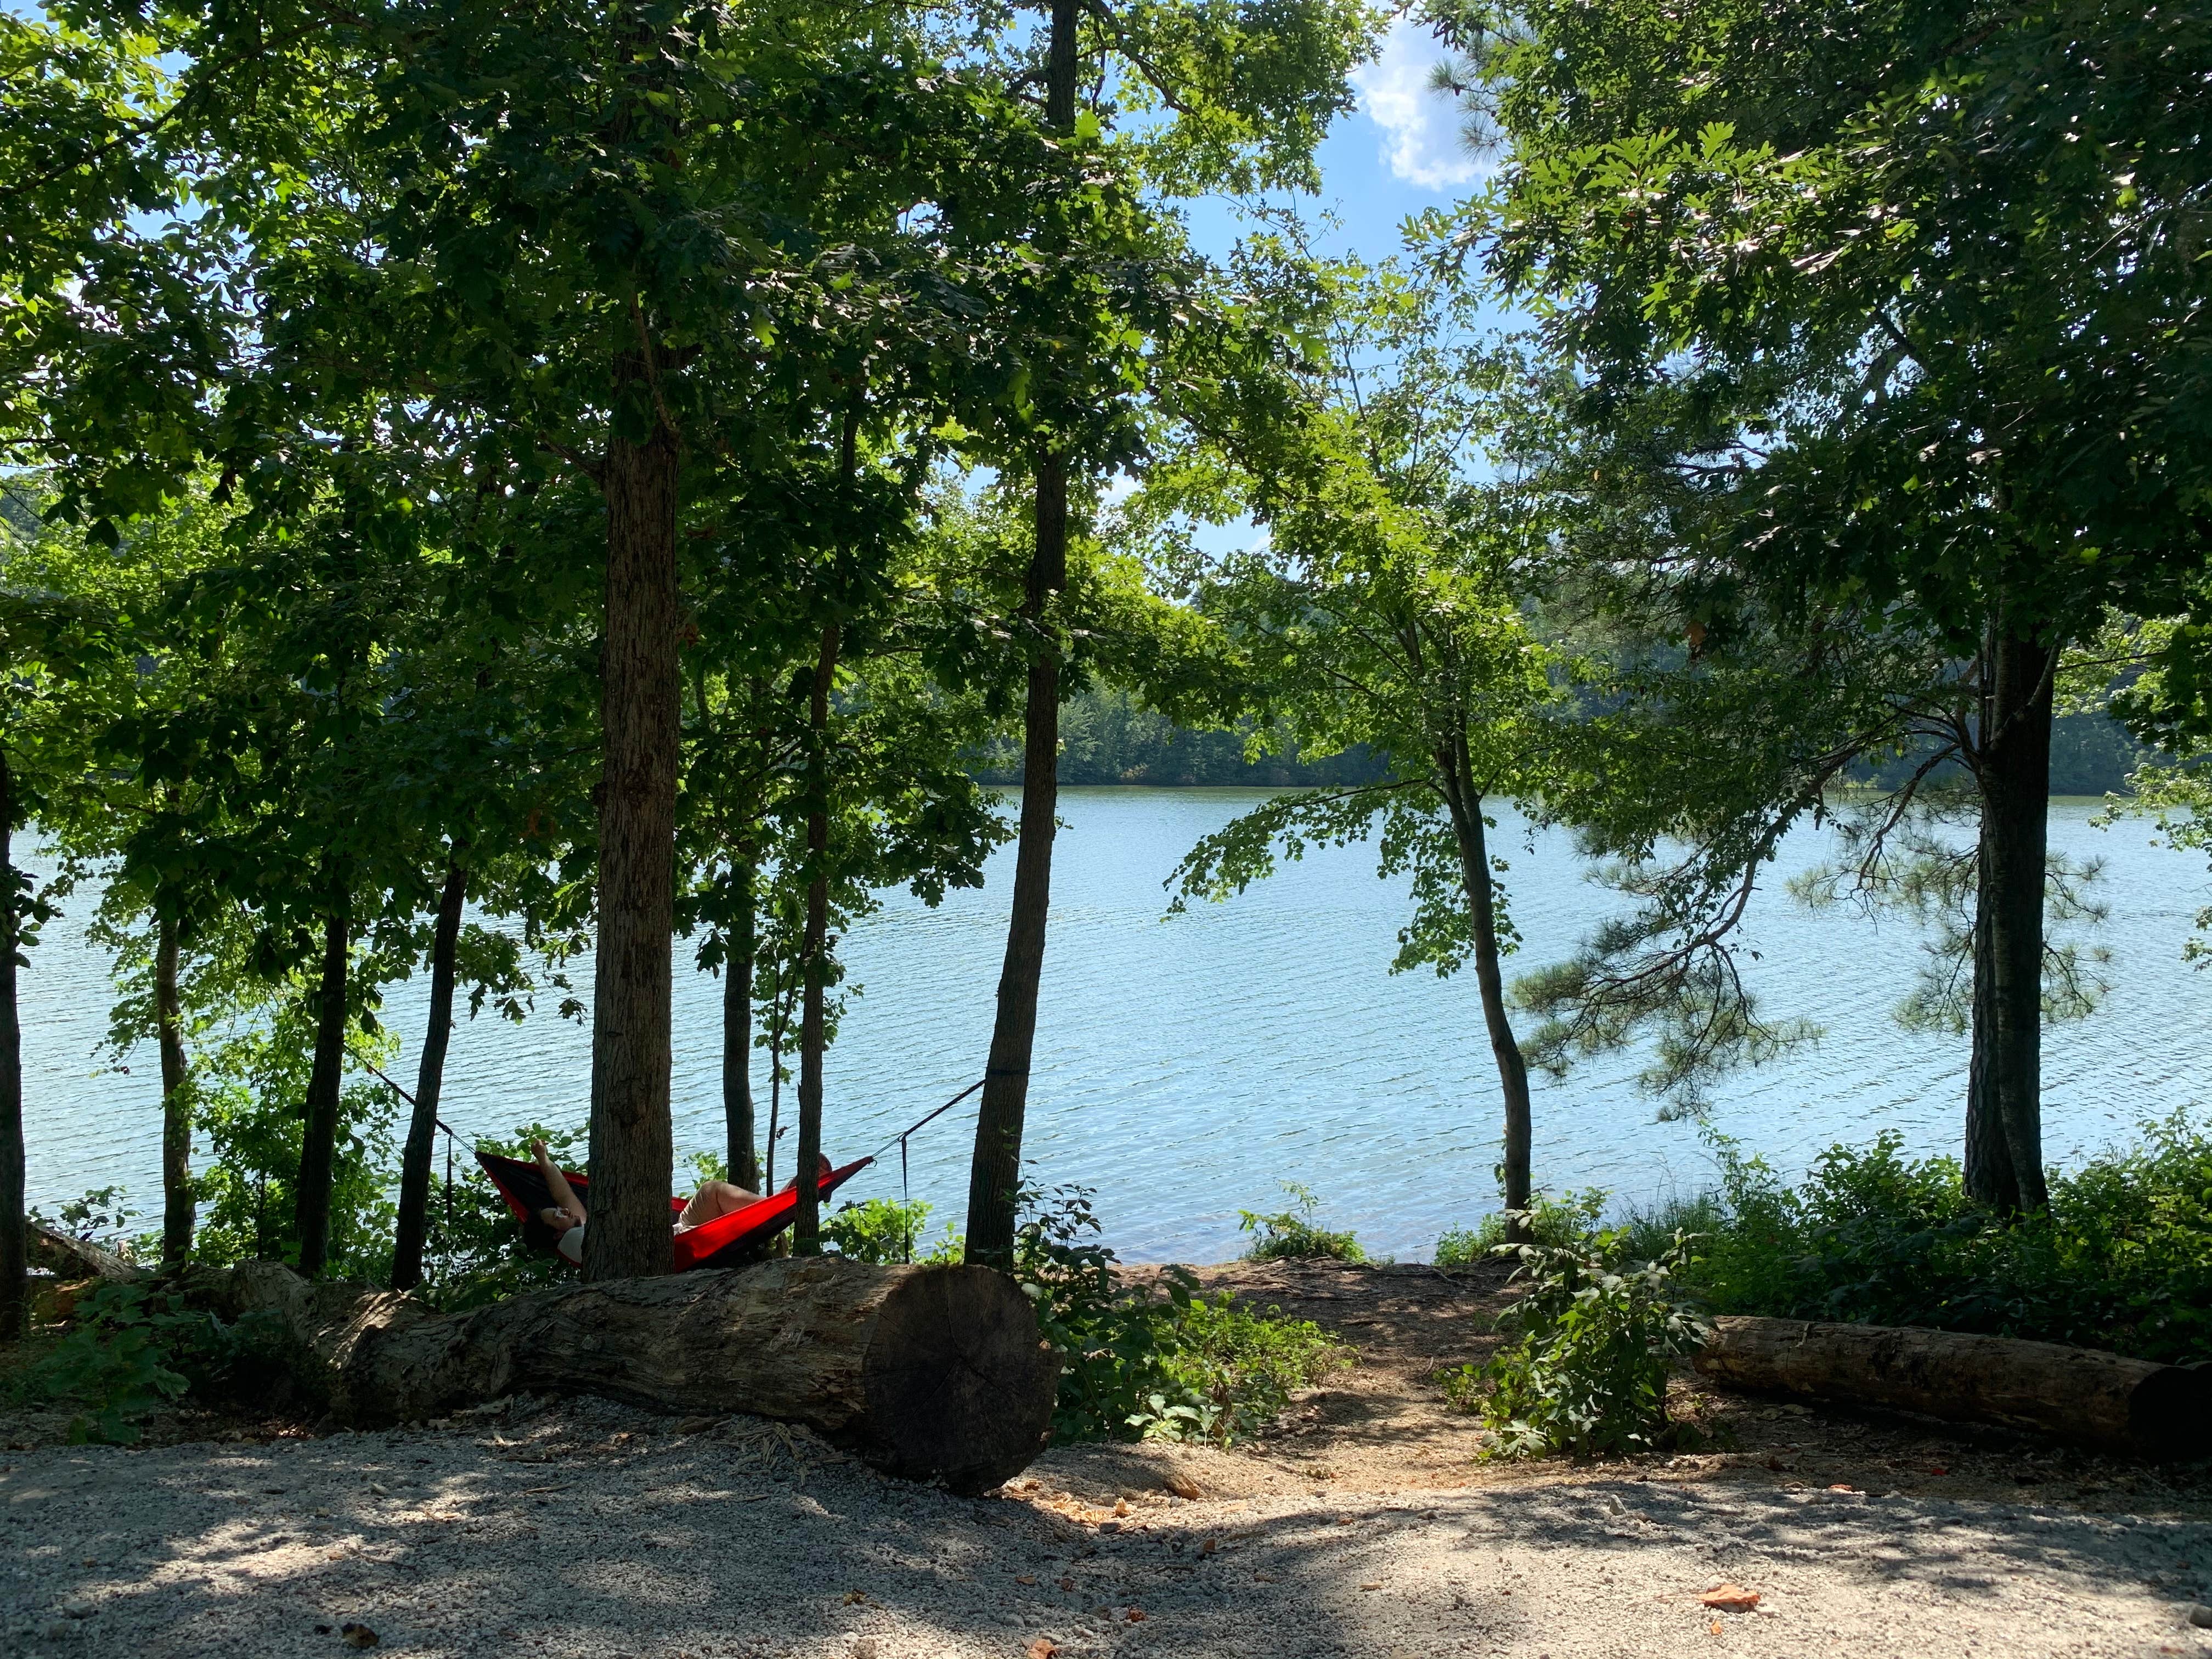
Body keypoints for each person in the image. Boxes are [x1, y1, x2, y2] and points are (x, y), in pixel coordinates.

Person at [528, 1140, 826, 1266]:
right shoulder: (573, 1241)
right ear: (556, 1233)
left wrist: (543, 1159)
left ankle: (780, 1202)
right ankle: (784, 1202)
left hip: (678, 1233)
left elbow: (565, 1195)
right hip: (678, 1247)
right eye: (557, 1216)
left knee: (711, 1191)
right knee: (712, 1192)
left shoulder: (580, 1230)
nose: (564, 1211)